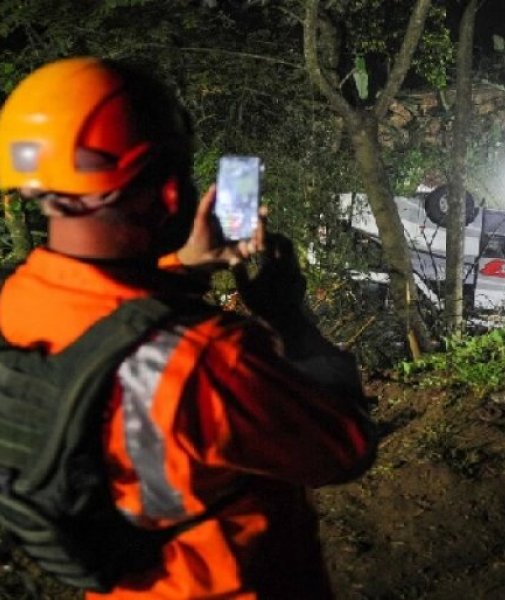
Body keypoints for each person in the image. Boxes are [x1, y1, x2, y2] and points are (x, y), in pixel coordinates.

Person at [0, 57, 376, 599]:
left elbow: (108, 331)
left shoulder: (20, 299)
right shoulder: (206, 358)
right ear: (170, 190)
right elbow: (346, 446)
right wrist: (289, 318)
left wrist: (186, 266)